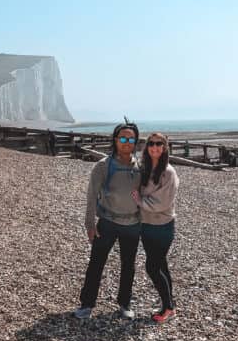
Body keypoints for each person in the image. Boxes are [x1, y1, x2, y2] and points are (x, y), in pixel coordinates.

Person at [74, 122, 141, 320]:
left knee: (128, 265)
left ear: (135, 142)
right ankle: (86, 304)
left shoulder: (140, 166)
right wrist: (90, 225)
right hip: (107, 223)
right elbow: (91, 196)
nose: (126, 142)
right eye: (122, 138)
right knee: (96, 263)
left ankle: (124, 303)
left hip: (133, 225)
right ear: (115, 140)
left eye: (130, 139)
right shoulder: (103, 166)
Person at [132, 132, 179, 323]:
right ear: (147, 146)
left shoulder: (168, 172)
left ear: (165, 147)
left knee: (152, 267)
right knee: (161, 264)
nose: (155, 147)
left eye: (159, 143)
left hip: (162, 226)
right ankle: (170, 304)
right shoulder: (144, 168)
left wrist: (140, 202)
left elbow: (163, 203)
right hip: (146, 225)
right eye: (151, 143)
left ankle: (168, 308)